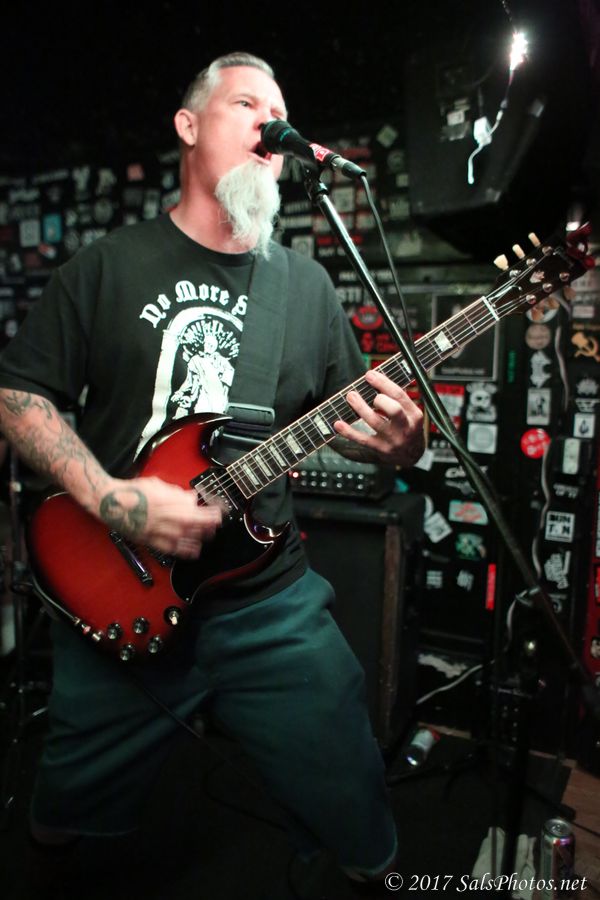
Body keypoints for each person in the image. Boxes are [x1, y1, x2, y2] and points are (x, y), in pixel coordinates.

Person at [0, 52, 424, 897]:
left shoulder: (304, 286)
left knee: (356, 802)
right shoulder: (107, 267)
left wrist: (399, 447)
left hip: (268, 597)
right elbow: (17, 395)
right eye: (247, 103)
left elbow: (355, 429)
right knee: (61, 814)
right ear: (188, 127)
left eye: (281, 110)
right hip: (119, 580)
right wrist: (112, 500)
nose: (271, 123)